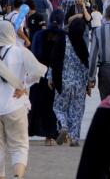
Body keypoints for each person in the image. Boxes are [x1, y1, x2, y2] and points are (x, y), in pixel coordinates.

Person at [0, 20, 49, 179]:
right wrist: (23, 85)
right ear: (11, 34)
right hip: (15, 106)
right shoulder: (21, 52)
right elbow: (38, 72)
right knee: (19, 145)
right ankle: (17, 175)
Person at [54, 12, 93, 146]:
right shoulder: (83, 47)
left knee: (59, 108)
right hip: (79, 85)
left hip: (63, 82)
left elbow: (55, 61)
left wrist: (50, 77)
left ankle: (63, 125)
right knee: (76, 111)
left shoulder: (62, 42)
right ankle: (74, 138)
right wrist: (89, 84)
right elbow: (87, 68)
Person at [28, 10, 65, 143]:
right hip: (57, 74)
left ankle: (45, 135)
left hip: (40, 74)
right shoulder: (63, 36)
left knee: (40, 105)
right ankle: (54, 133)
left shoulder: (39, 35)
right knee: (55, 106)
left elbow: (34, 55)